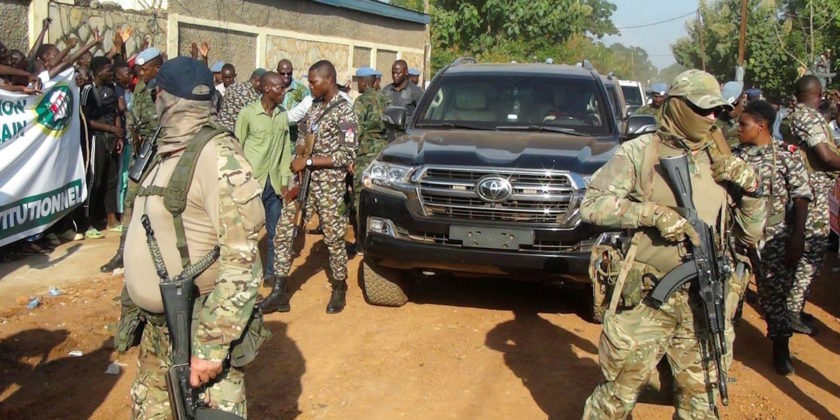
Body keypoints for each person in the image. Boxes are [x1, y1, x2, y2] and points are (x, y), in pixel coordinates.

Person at [581, 70, 765, 419]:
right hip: (647, 301)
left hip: (705, 301)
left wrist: (752, 192)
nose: (712, 118)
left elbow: (749, 236)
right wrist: (650, 214)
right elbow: (592, 204)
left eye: (716, 111)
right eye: (703, 109)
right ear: (679, 107)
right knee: (615, 399)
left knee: (700, 406)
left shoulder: (725, 161)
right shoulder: (641, 153)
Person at [122, 56, 266, 418]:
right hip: (158, 333)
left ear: (161, 97)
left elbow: (243, 260)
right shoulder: (163, 148)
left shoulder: (216, 155)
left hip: (197, 333)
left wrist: (212, 346)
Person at [261, 60, 358, 315]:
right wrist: (301, 153)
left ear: (329, 80)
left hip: (330, 185)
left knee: (334, 238)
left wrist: (311, 160)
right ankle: (280, 292)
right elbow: (304, 133)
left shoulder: (345, 111)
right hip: (304, 181)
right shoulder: (313, 107)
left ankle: (339, 287)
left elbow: (347, 155)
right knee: (283, 231)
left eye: (314, 82)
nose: (310, 86)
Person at [733, 100, 811, 375]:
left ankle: (781, 349)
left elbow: (801, 198)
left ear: (761, 126)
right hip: (739, 235)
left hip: (774, 237)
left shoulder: (787, 155)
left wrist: (798, 237)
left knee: (774, 296)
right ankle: (726, 347)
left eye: (743, 123)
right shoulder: (735, 156)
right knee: (731, 293)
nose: (738, 127)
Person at [780, 75, 840, 335]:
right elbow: (825, 155)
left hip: (800, 190)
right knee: (812, 253)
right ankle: (792, 311)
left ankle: (793, 305)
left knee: (799, 249)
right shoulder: (810, 117)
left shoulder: (791, 117)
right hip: (812, 195)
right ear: (819, 93)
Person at [101, 47, 162, 272]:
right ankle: (123, 251)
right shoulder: (142, 86)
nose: (140, 73)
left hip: (160, 152)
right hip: (142, 152)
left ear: (156, 68)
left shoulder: (164, 88)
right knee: (131, 200)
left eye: (144, 70)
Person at [235, 71, 293, 286]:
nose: (283, 91)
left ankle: (271, 274)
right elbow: (237, 148)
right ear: (267, 89)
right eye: (279, 87)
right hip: (252, 184)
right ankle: (245, 274)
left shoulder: (282, 115)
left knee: (275, 233)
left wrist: (285, 182)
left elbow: (286, 149)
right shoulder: (247, 114)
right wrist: (240, 180)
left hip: (275, 184)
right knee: (248, 233)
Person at [346, 67, 391, 257]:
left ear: (364, 83)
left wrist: (350, 157)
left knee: (360, 199)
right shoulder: (387, 100)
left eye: (359, 82)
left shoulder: (361, 101)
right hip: (383, 155)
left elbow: (354, 130)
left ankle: (362, 244)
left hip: (364, 155)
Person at [83, 56, 124, 234]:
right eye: (108, 70)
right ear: (99, 71)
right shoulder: (88, 91)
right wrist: (110, 129)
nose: (111, 73)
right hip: (96, 139)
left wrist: (118, 135)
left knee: (111, 179)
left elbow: (115, 111)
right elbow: (86, 120)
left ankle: (111, 219)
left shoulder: (112, 88)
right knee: (95, 180)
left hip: (112, 139)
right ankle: (88, 221)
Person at [215, 68, 265, 132]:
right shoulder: (252, 96)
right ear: (257, 81)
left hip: (219, 128)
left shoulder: (233, 86)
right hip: (233, 133)